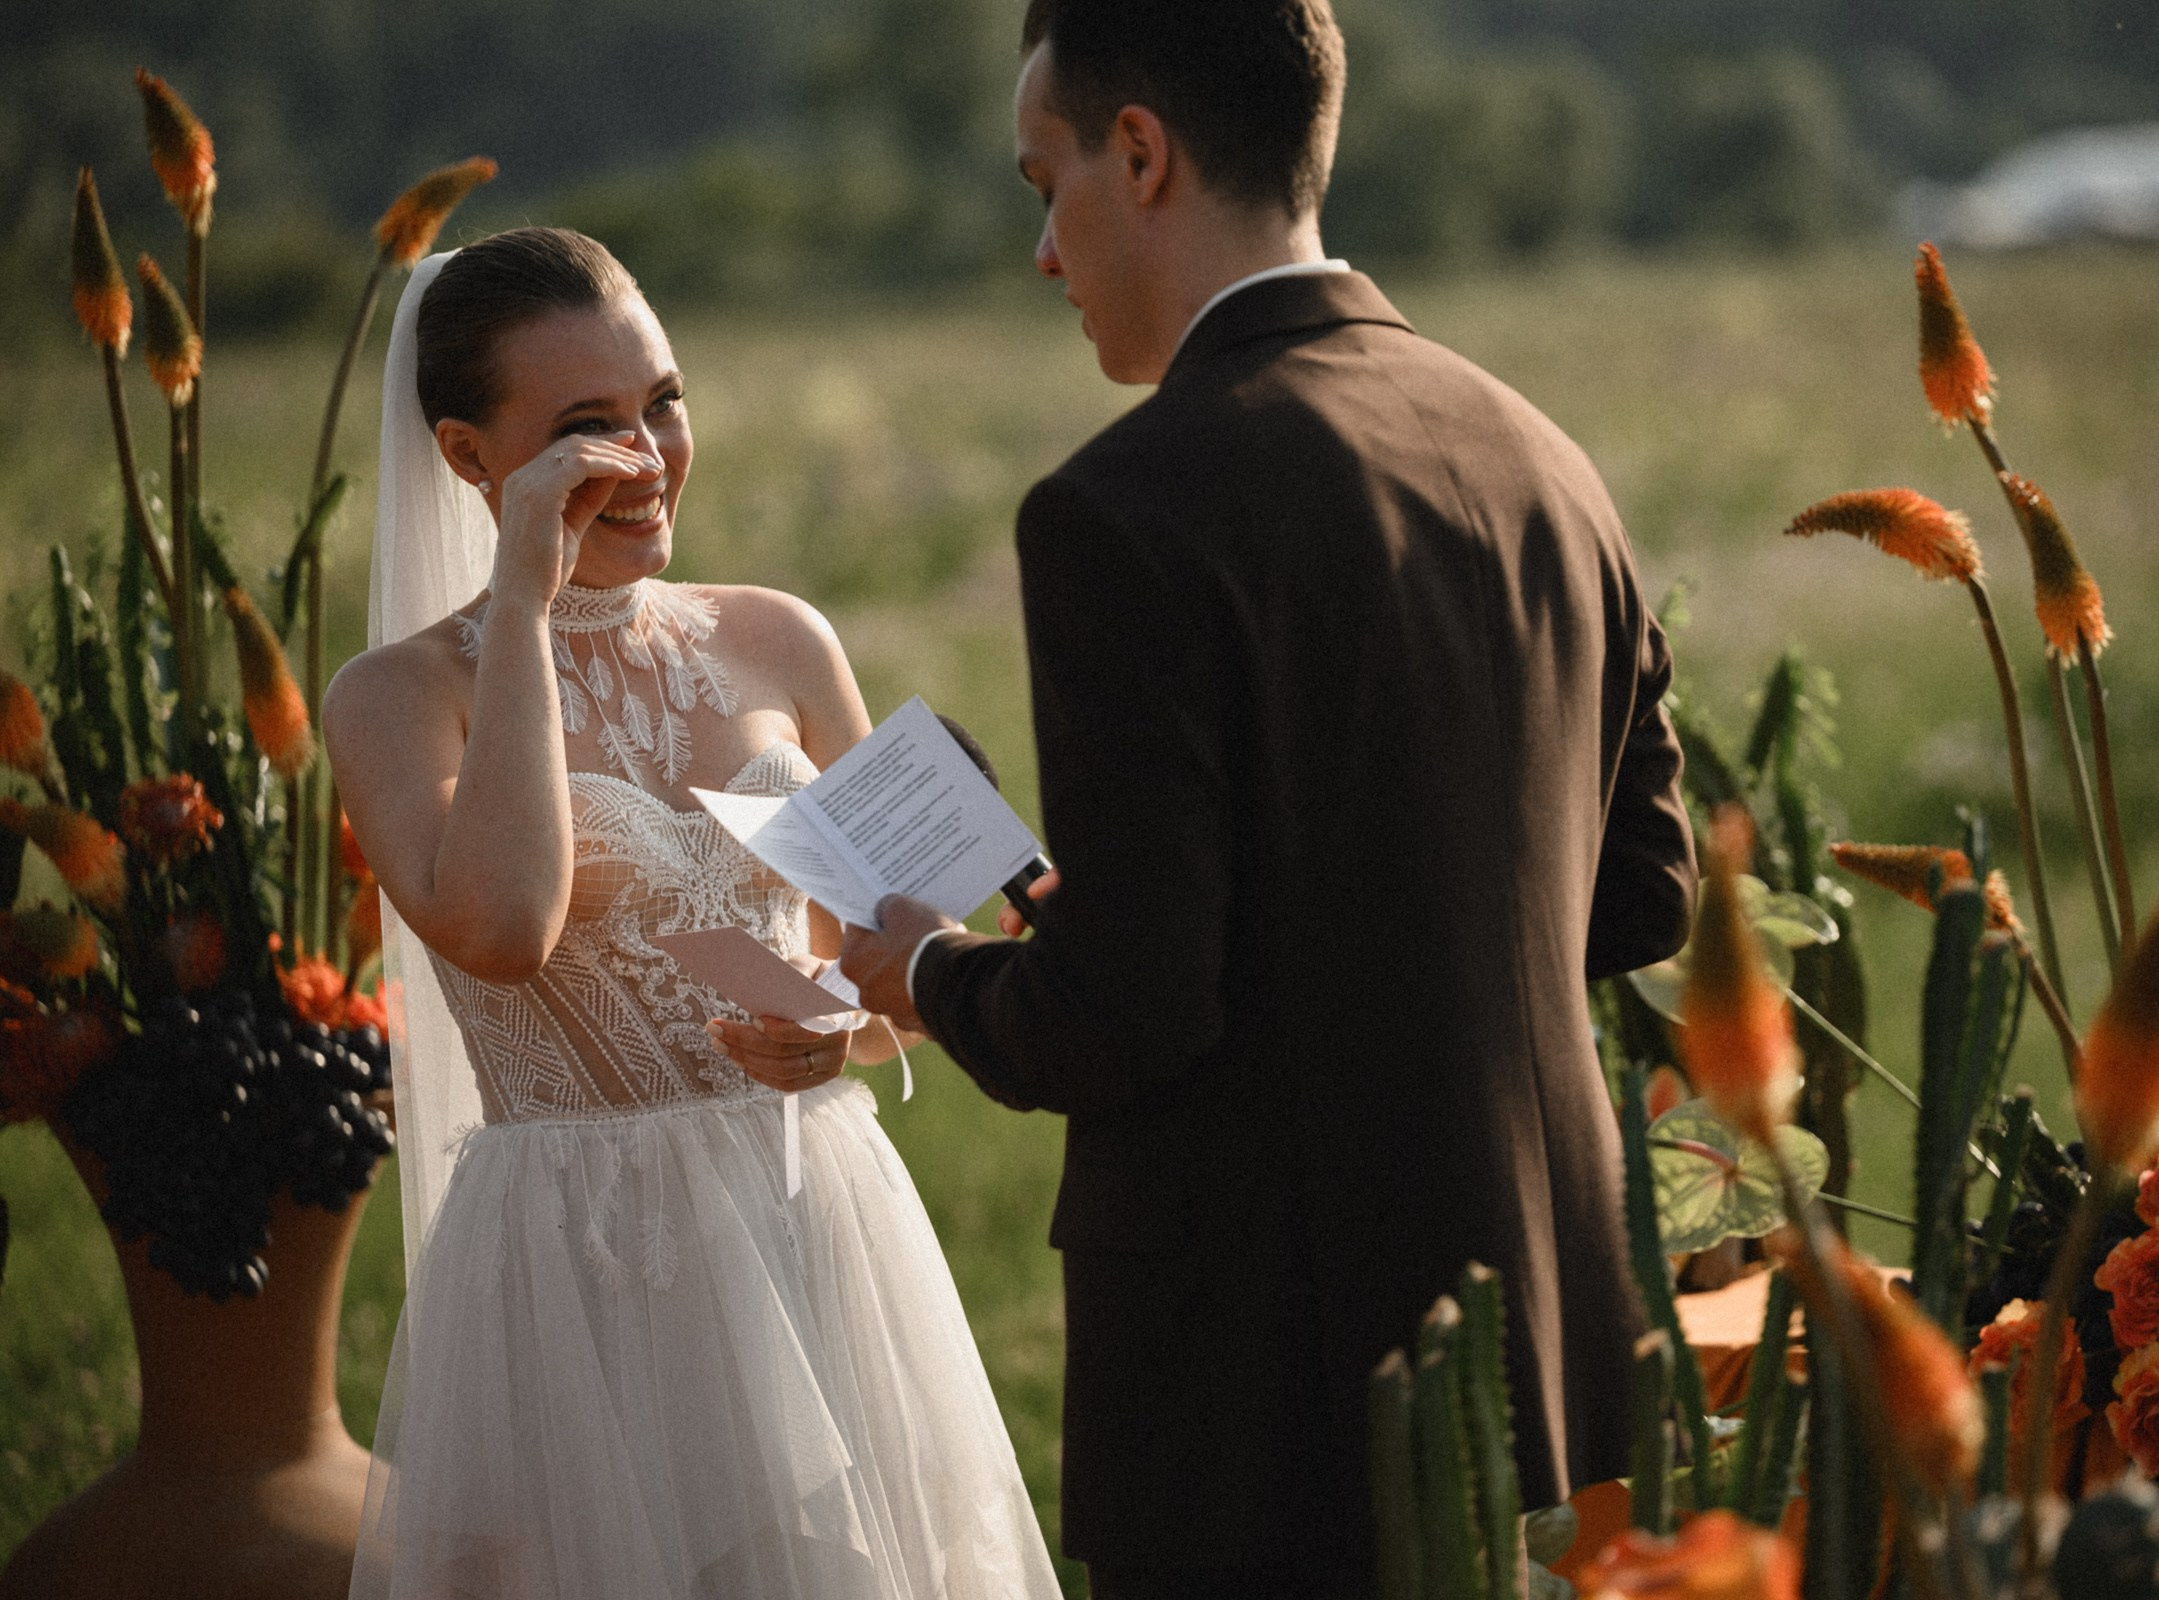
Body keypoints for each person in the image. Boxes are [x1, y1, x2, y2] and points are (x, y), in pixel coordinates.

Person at [839, 3, 1699, 1595]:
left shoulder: (1123, 508)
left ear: (1143, 154)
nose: (1044, 249)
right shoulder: (1539, 454)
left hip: (1267, 1362)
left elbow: (1131, 1016)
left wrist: (930, 971)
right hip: (1553, 1311)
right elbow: (1643, 895)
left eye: (1048, 182)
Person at [327, 226, 1062, 1600]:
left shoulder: (778, 637)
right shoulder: (397, 697)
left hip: (814, 1222)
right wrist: (528, 606)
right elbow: (503, 928)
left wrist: (841, 1038)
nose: (650, 456)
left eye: (662, 400)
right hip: (589, 1257)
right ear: (473, 459)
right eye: (586, 430)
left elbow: (890, 969)